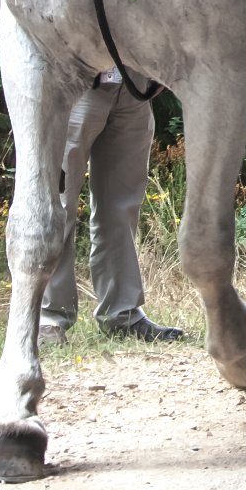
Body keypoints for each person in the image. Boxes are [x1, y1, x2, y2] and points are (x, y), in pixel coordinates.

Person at [38, 73, 184, 344]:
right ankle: (48, 319)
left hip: (135, 89)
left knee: (122, 207)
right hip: (76, 86)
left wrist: (164, 71)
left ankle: (122, 314)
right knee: (58, 204)